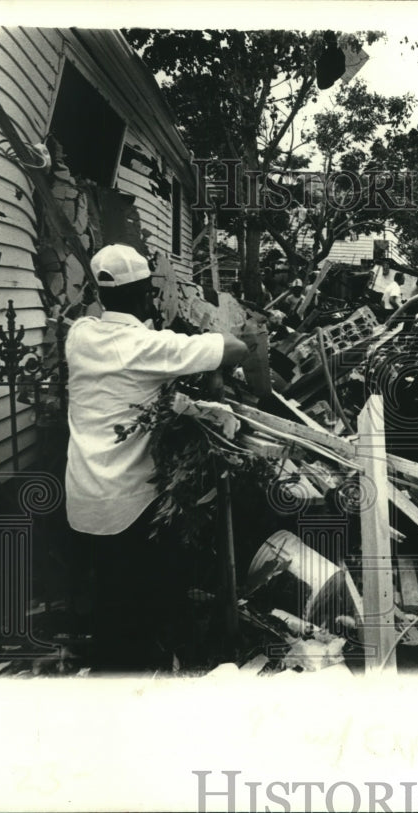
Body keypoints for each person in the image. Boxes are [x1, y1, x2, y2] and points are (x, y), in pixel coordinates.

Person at [65, 244, 249, 671]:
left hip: (81, 497)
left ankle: (111, 664)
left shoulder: (80, 335)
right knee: (137, 609)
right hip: (128, 506)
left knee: (106, 601)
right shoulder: (149, 346)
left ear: (100, 292)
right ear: (148, 292)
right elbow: (235, 347)